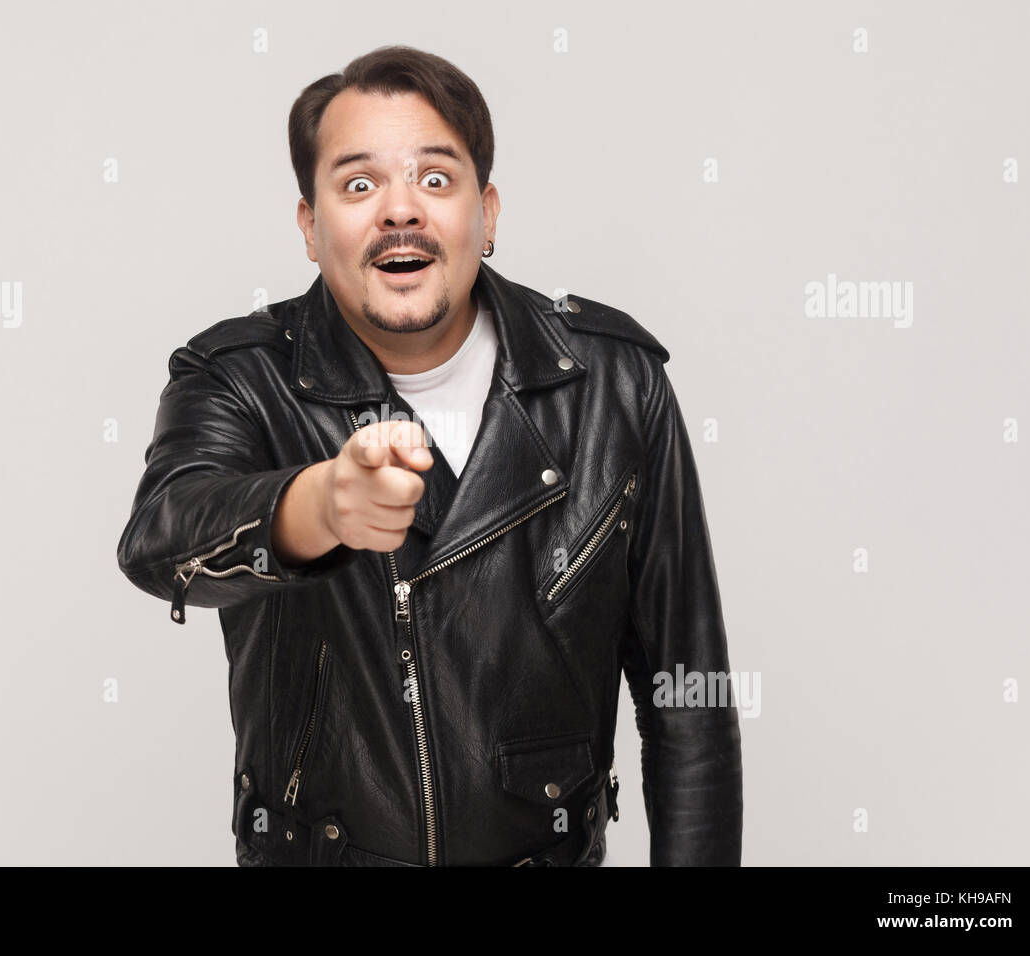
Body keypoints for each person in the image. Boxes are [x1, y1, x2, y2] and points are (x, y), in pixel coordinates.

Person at [116, 45, 742, 866]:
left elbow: (689, 698)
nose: (399, 210)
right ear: (310, 227)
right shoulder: (239, 376)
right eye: (359, 185)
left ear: (488, 213)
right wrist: (317, 507)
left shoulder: (615, 383)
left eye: (436, 179)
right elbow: (161, 541)